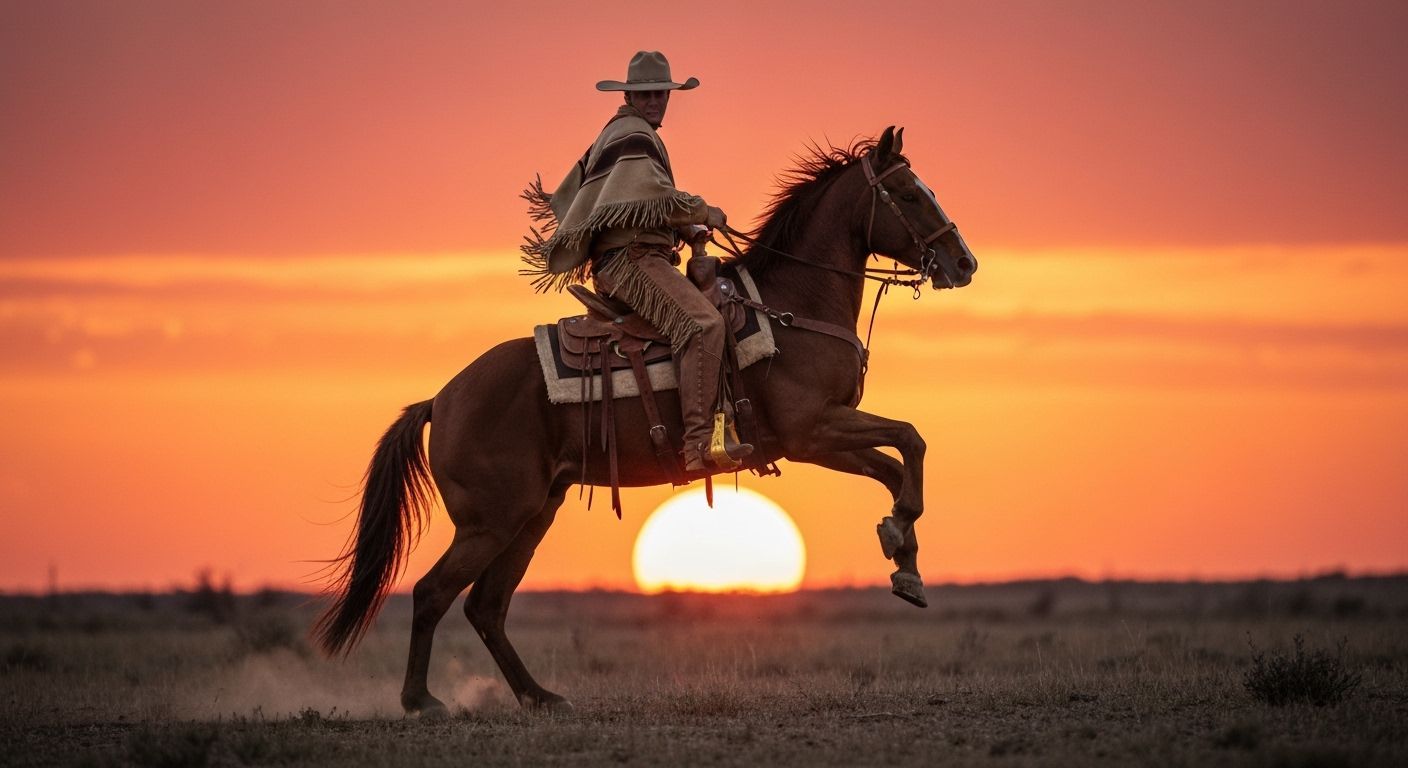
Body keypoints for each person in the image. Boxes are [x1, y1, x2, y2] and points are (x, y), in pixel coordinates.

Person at [521, 51, 752, 473]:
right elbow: (650, 198)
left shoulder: (630, 133)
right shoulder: (634, 134)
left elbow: (634, 204)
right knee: (703, 324)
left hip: (639, 254)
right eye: (645, 93)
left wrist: (684, 231)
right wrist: (702, 212)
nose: (654, 101)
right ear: (630, 95)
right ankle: (699, 444)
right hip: (632, 261)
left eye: (660, 94)